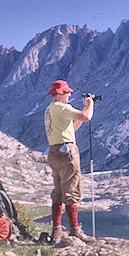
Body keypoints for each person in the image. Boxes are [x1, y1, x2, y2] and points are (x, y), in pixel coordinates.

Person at [44, 79, 96, 244]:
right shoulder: (62, 107)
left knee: (58, 192)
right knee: (72, 190)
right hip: (66, 153)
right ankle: (75, 230)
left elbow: (71, 128)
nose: (69, 94)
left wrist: (81, 111)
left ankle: (57, 230)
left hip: (54, 152)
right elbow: (87, 116)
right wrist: (90, 104)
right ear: (59, 94)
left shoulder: (50, 109)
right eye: (66, 92)